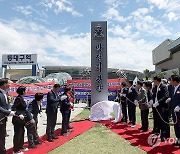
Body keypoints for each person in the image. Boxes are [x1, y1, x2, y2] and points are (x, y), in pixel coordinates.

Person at [12, 86, 34, 154]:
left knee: (22, 133)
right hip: (18, 119)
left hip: (22, 119)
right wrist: (18, 114)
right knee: (18, 134)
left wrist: (30, 117)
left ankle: (20, 146)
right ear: (23, 91)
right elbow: (13, 108)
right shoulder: (18, 99)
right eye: (25, 90)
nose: (26, 92)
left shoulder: (22, 98)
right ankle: (16, 150)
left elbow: (24, 109)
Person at [152, 76, 169, 141]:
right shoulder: (155, 87)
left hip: (162, 106)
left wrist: (158, 102)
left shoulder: (163, 86)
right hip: (156, 106)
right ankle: (158, 133)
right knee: (157, 120)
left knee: (163, 121)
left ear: (157, 80)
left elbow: (166, 96)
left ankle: (164, 135)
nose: (153, 82)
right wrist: (152, 101)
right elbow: (153, 95)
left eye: (154, 80)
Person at [0, 78, 15, 154]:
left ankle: (2, 151)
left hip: (3, 118)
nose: (10, 85)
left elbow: (7, 104)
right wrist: (8, 112)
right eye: (9, 83)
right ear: (5, 84)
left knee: (2, 136)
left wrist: (9, 110)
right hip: (0, 118)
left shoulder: (6, 93)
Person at [170, 75, 180, 147]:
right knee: (176, 125)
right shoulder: (173, 88)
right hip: (174, 110)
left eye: (171, 80)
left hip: (179, 110)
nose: (170, 81)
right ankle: (178, 139)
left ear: (175, 81)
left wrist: (179, 106)